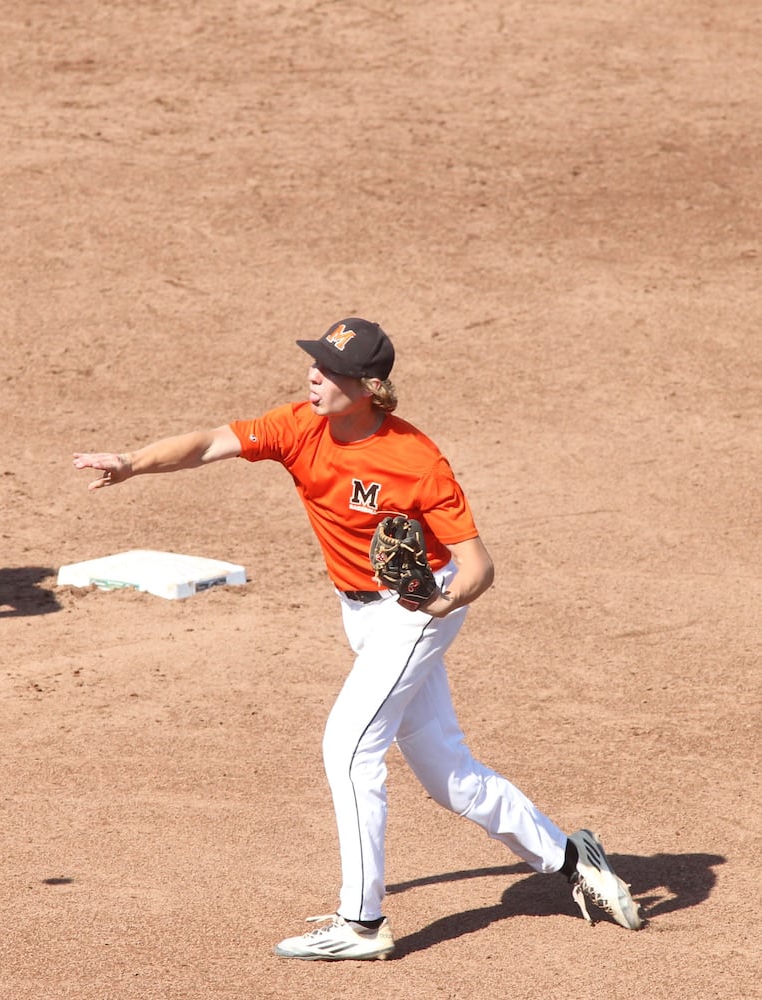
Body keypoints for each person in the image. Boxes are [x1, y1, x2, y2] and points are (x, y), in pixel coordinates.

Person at [73, 317, 643, 960]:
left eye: (330, 370)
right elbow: (208, 443)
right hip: (361, 614)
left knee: (348, 746)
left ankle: (361, 924)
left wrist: (439, 600)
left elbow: (478, 565)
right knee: (448, 775)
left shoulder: (415, 459)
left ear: (368, 386)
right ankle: (575, 862)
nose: (314, 376)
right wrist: (131, 463)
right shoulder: (298, 426)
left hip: (417, 607)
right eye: (314, 363)